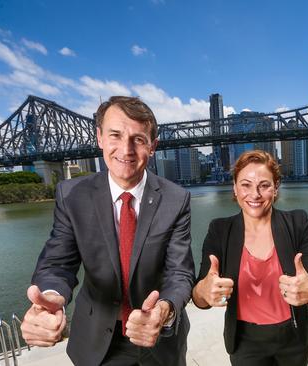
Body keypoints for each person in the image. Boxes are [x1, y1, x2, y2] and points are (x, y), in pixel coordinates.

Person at [20, 96, 195, 366]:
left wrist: (164, 309)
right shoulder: (71, 195)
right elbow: (58, 264)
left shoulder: (176, 199)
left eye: (138, 139)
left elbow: (180, 272)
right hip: (96, 341)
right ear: (100, 137)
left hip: (159, 338)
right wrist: (52, 298)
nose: (126, 150)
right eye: (115, 135)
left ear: (153, 147)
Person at [192, 150, 308, 366]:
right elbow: (200, 295)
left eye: (264, 185)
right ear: (235, 188)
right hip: (245, 340)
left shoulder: (299, 224)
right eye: (245, 185)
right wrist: (203, 291)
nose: (254, 194)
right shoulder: (219, 230)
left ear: (276, 188)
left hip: (295, 335)